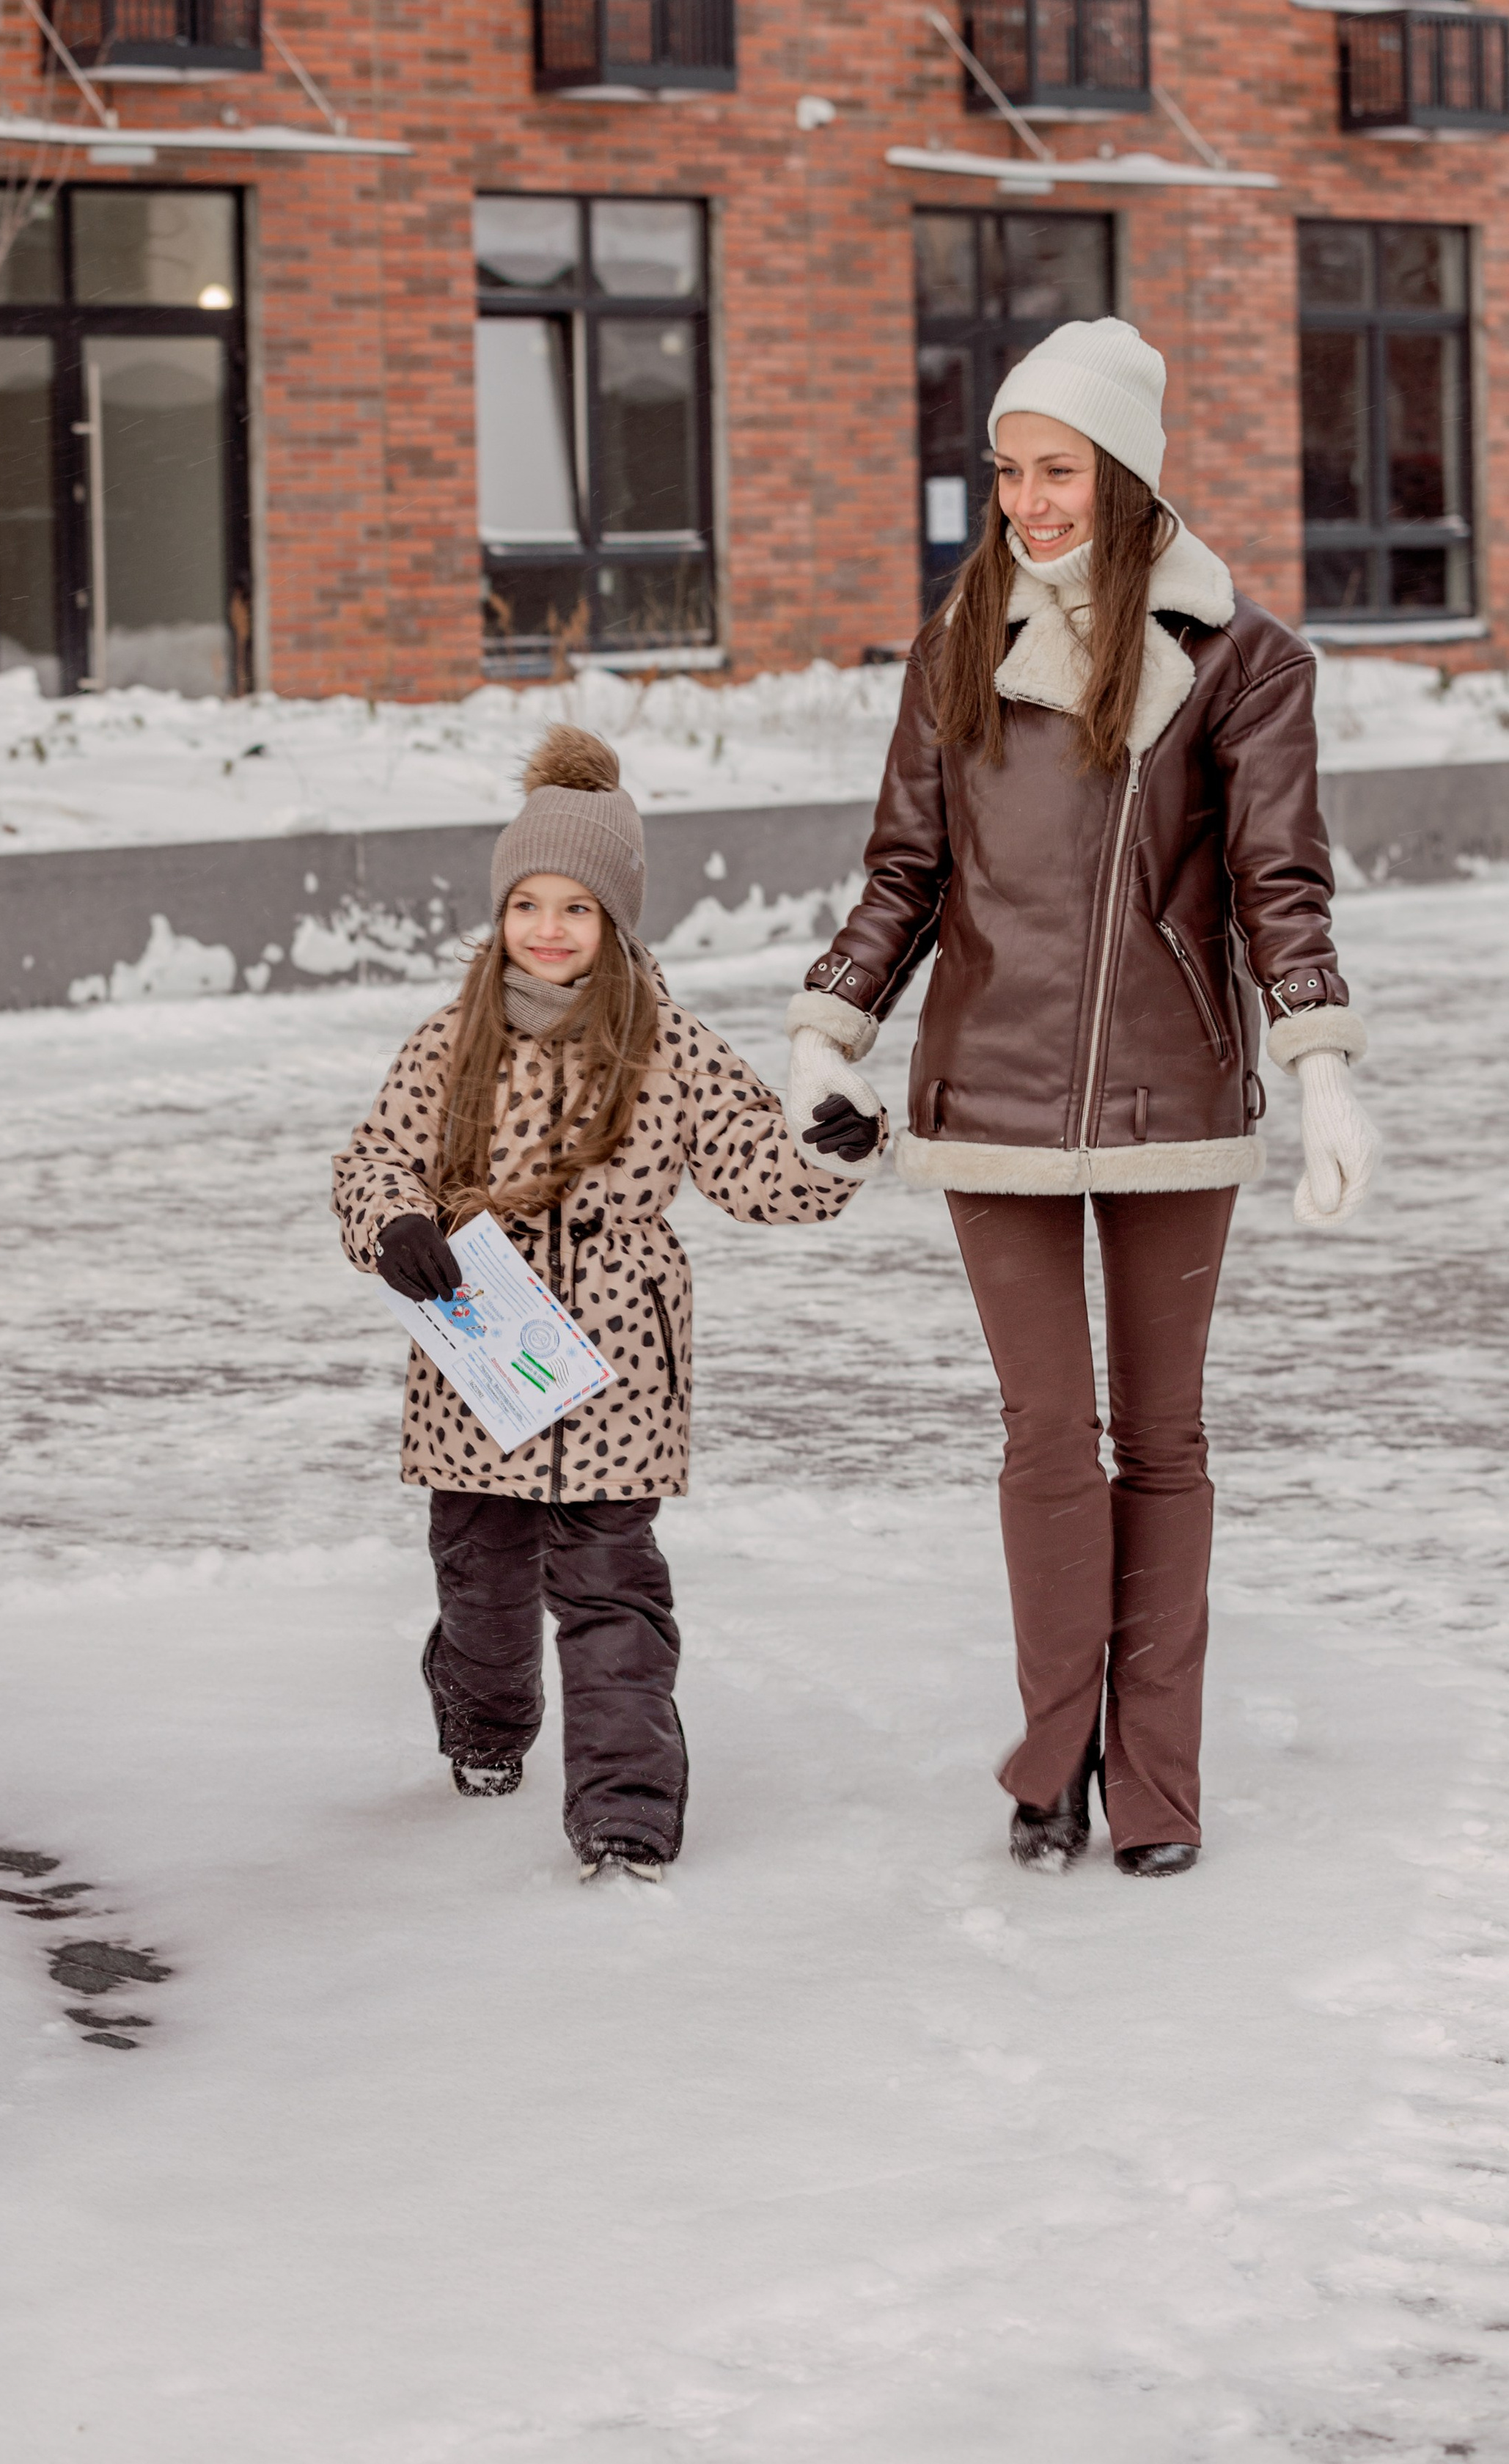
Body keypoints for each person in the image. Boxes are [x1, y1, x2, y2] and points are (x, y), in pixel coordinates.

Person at [785, 318, 1378, 1880]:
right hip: (985, 1095)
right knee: (1046, 1437)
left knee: (1160, 1441)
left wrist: (1316, 1069)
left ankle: (1158, 1786)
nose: (1024, 499)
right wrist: (823, 1037)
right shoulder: (954, 645)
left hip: (1171, 1096)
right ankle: (1052, 1762)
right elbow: (904, 874)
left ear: (1121, 476)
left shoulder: (1242, 662)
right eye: (1004, 469)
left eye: (1054, 469)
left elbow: (1278, 888)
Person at [333, 727, 873, 1881]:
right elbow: (375, 1159)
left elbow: (752, 1167)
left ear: (616, 918)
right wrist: (397, 1225)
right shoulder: (451, 1041)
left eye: (576, 906)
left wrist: (830, 1151)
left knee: (614, 1599)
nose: (548, 927)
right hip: (480, 1364)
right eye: (527, 901)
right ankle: (484, 1725)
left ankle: (626, 1817)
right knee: (481, 1584)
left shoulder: (669, 1046)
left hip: (620, 1372)